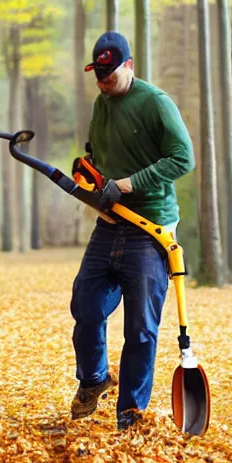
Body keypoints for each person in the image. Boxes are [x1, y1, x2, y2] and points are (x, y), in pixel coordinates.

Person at [70, 31, 195, 430]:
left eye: (110, 76)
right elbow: (99, 152)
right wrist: (94, 178)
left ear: (129, 66)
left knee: (141, 328)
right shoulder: (101, 104)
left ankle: (130, 414)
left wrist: (126, 184)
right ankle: (93, 380)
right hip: (109, 224)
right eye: (99, 77)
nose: (104, 83)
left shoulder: (156, 103)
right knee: (85, 306)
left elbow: (183, 158)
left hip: (150, 227)